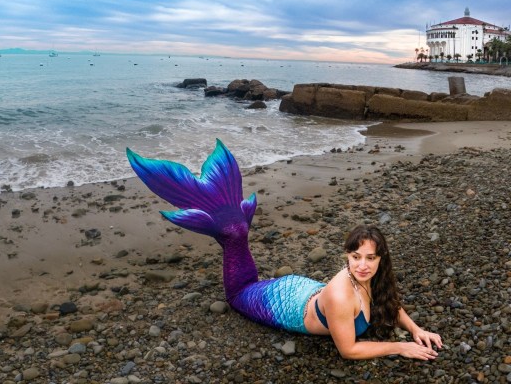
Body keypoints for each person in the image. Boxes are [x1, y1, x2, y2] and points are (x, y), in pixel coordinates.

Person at [127, 139, 443, 360]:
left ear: (379, 260)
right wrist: (400, 347)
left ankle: (233, 226)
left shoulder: (372, 277)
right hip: (286, 304)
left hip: (303, 289)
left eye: (370, 258)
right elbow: (349, 350)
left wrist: (416, 329)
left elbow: (390, 304)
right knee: (238, 291)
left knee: (237, 234)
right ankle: (230, 229)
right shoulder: (340, 293)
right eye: (355, 257)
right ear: (346, 256)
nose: (362, 265)